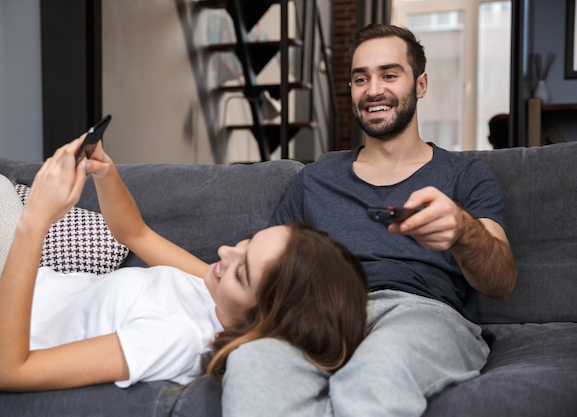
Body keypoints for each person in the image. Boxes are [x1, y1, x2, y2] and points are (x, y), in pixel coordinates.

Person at [221, 23, 518, 417]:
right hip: (323, 316)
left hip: (420, 314)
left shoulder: (465, 175)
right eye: (361, 78)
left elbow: (502, 283)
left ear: (421, 84)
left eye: (390, 75)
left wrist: (464, 232)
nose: (374, 89)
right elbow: (268, 272)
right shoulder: (315, 179)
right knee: (250, 362)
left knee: (378, 369)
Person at [0, 130, 369, 392]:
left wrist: (36, 222)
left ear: (261, 323)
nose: (225, 253)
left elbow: (4, 370)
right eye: (247, 242)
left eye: (241, 272)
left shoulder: (176, 338)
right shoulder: (213, 293)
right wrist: (106, 173)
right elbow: (136, 234)